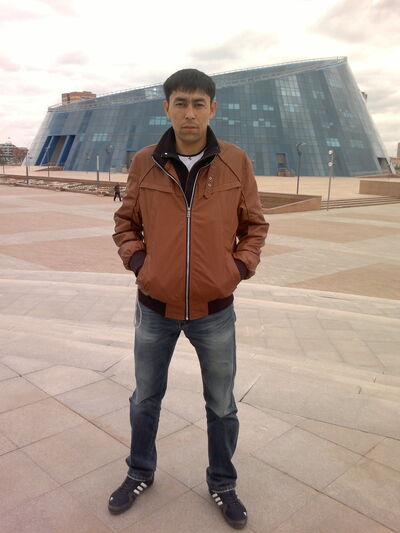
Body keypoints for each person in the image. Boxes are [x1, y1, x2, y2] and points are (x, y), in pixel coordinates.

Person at [110, 68, 268, 529]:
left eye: (199, 104)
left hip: (214, 311)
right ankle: (139, 472)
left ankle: (223, 483)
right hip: (154, 308)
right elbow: (125, 223)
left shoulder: (235, 162)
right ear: (167, 108)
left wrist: (236, 270)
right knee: (145, 398)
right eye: (180, 103)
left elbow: (255, 226)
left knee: (221, 404)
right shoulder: (145, 162)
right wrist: (142, 265)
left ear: (212, 109)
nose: (190, 113)